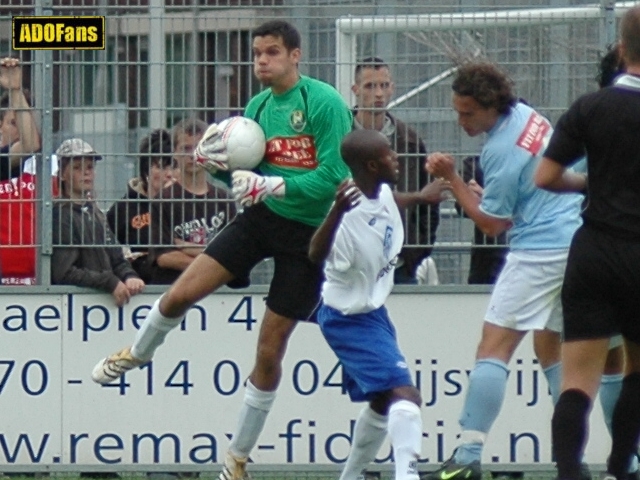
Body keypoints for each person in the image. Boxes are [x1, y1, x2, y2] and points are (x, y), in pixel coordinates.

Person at [91, 20, 353, 480]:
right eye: (256, 54)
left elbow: (333, 177)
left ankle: (236, 459)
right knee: (177, 296)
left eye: (271, 53)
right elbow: (241, 179)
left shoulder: (324, 102)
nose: (261, 62)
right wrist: (213, 168)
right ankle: (138, 352)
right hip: (260, 222)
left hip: (309, 238)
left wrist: (272, 183)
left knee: (269, 352)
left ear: (295, 55)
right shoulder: (256, 107)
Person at [423, 62, 583, 480]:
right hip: (578, 244)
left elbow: (493, 225)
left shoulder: (499, 151)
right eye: (457, 111)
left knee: (493, 348)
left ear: (491, 106)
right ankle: (585, 462)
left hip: (539, 254)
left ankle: (467, 456)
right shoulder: (527, 117)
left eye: (467, 113)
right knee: (552, 349)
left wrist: (452, 178)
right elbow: (519, 195)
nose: (460, 121)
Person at [534, 7, 640, 480]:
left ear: (621, 50)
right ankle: (622, 463)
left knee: (577, 379)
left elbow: (546, 176)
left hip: (592, 250)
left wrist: (589, 185)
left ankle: (569, 471)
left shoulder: (590, 106)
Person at [309, 129, 446, 480]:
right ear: (371, 164)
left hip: (373, 312)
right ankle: (407, 475)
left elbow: (389, 201)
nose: (396, 158)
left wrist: (421, 196)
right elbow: (315, 254)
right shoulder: (346, 218)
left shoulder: (379, 189)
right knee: (407, 396)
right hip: (348, 318)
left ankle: (350, 477)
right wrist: (336, 213)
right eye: (389, 154)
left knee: (383, 402)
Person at [351, 57, 440, 284]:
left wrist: (416, 250)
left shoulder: (409, 141)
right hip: (349, 260)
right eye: (371, 86)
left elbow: (427, 199)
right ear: (356, 90)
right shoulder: (340, 135)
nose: (379, 94)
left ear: (392, 89)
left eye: (384, 85)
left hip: (398, 264)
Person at [51, 138, 145, 306]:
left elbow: (117, 257)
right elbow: (63, 272)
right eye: (77, 167)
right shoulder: (60, 215)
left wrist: (129, 275)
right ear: (62, 174)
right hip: (77, 306)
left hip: (100, 306)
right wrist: (110, 282)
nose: (87, 173)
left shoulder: (96, 213)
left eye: (89, 167)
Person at [147, 119, 235, 285]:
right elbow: (163, 256)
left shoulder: (223, 199)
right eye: (186, 148)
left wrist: (186, 247)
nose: (192, 155)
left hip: (216, 294)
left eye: (198, 148)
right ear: (174, 153)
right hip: (172, 290)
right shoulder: (163, 201)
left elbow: (232, 256)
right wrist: (213, 263)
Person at [106, 129, 174, 283]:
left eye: (173, 167)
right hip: (138, 290)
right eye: (161, 167)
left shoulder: (188, 205)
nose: (169, 174)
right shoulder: (123, 209)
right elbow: (108, 252)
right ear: (146, 171)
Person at [0, 57, 42, 284]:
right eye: (12, 123)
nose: (19, 131)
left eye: (23, 122)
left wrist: (16, 90)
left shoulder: (42, 165)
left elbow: (30, 144)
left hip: (30, 274)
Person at [458, 155, 507, 285]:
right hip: (486, 257)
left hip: (522, 250)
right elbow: (462, 208)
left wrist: (486, 197)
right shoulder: (475, 165)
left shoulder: (532, 163)